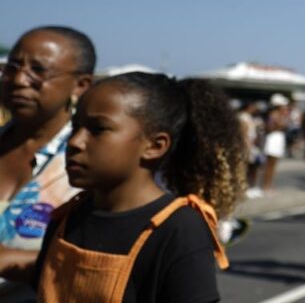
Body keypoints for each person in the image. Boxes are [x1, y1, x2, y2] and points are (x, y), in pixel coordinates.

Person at [24, 72, 245, 302]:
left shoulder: (178, 229)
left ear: (155, 146)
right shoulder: (66, 218)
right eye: (75, 127)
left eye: (98, 129)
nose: (75, 142)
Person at [0, 26, 95, 302]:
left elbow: (105, 261)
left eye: (38, 70)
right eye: (13, 67)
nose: (19, 79)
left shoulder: (92, 167)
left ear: (81, 85)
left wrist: (13, 260)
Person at [259, 94, 289, 193]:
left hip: (278, 139)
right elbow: (269, 128)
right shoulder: (273, 115)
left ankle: (269, 185)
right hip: (273, 139)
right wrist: (280, 126)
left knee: (274, 164)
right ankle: (265, 185)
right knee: (269, 164)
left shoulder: (281, 115)